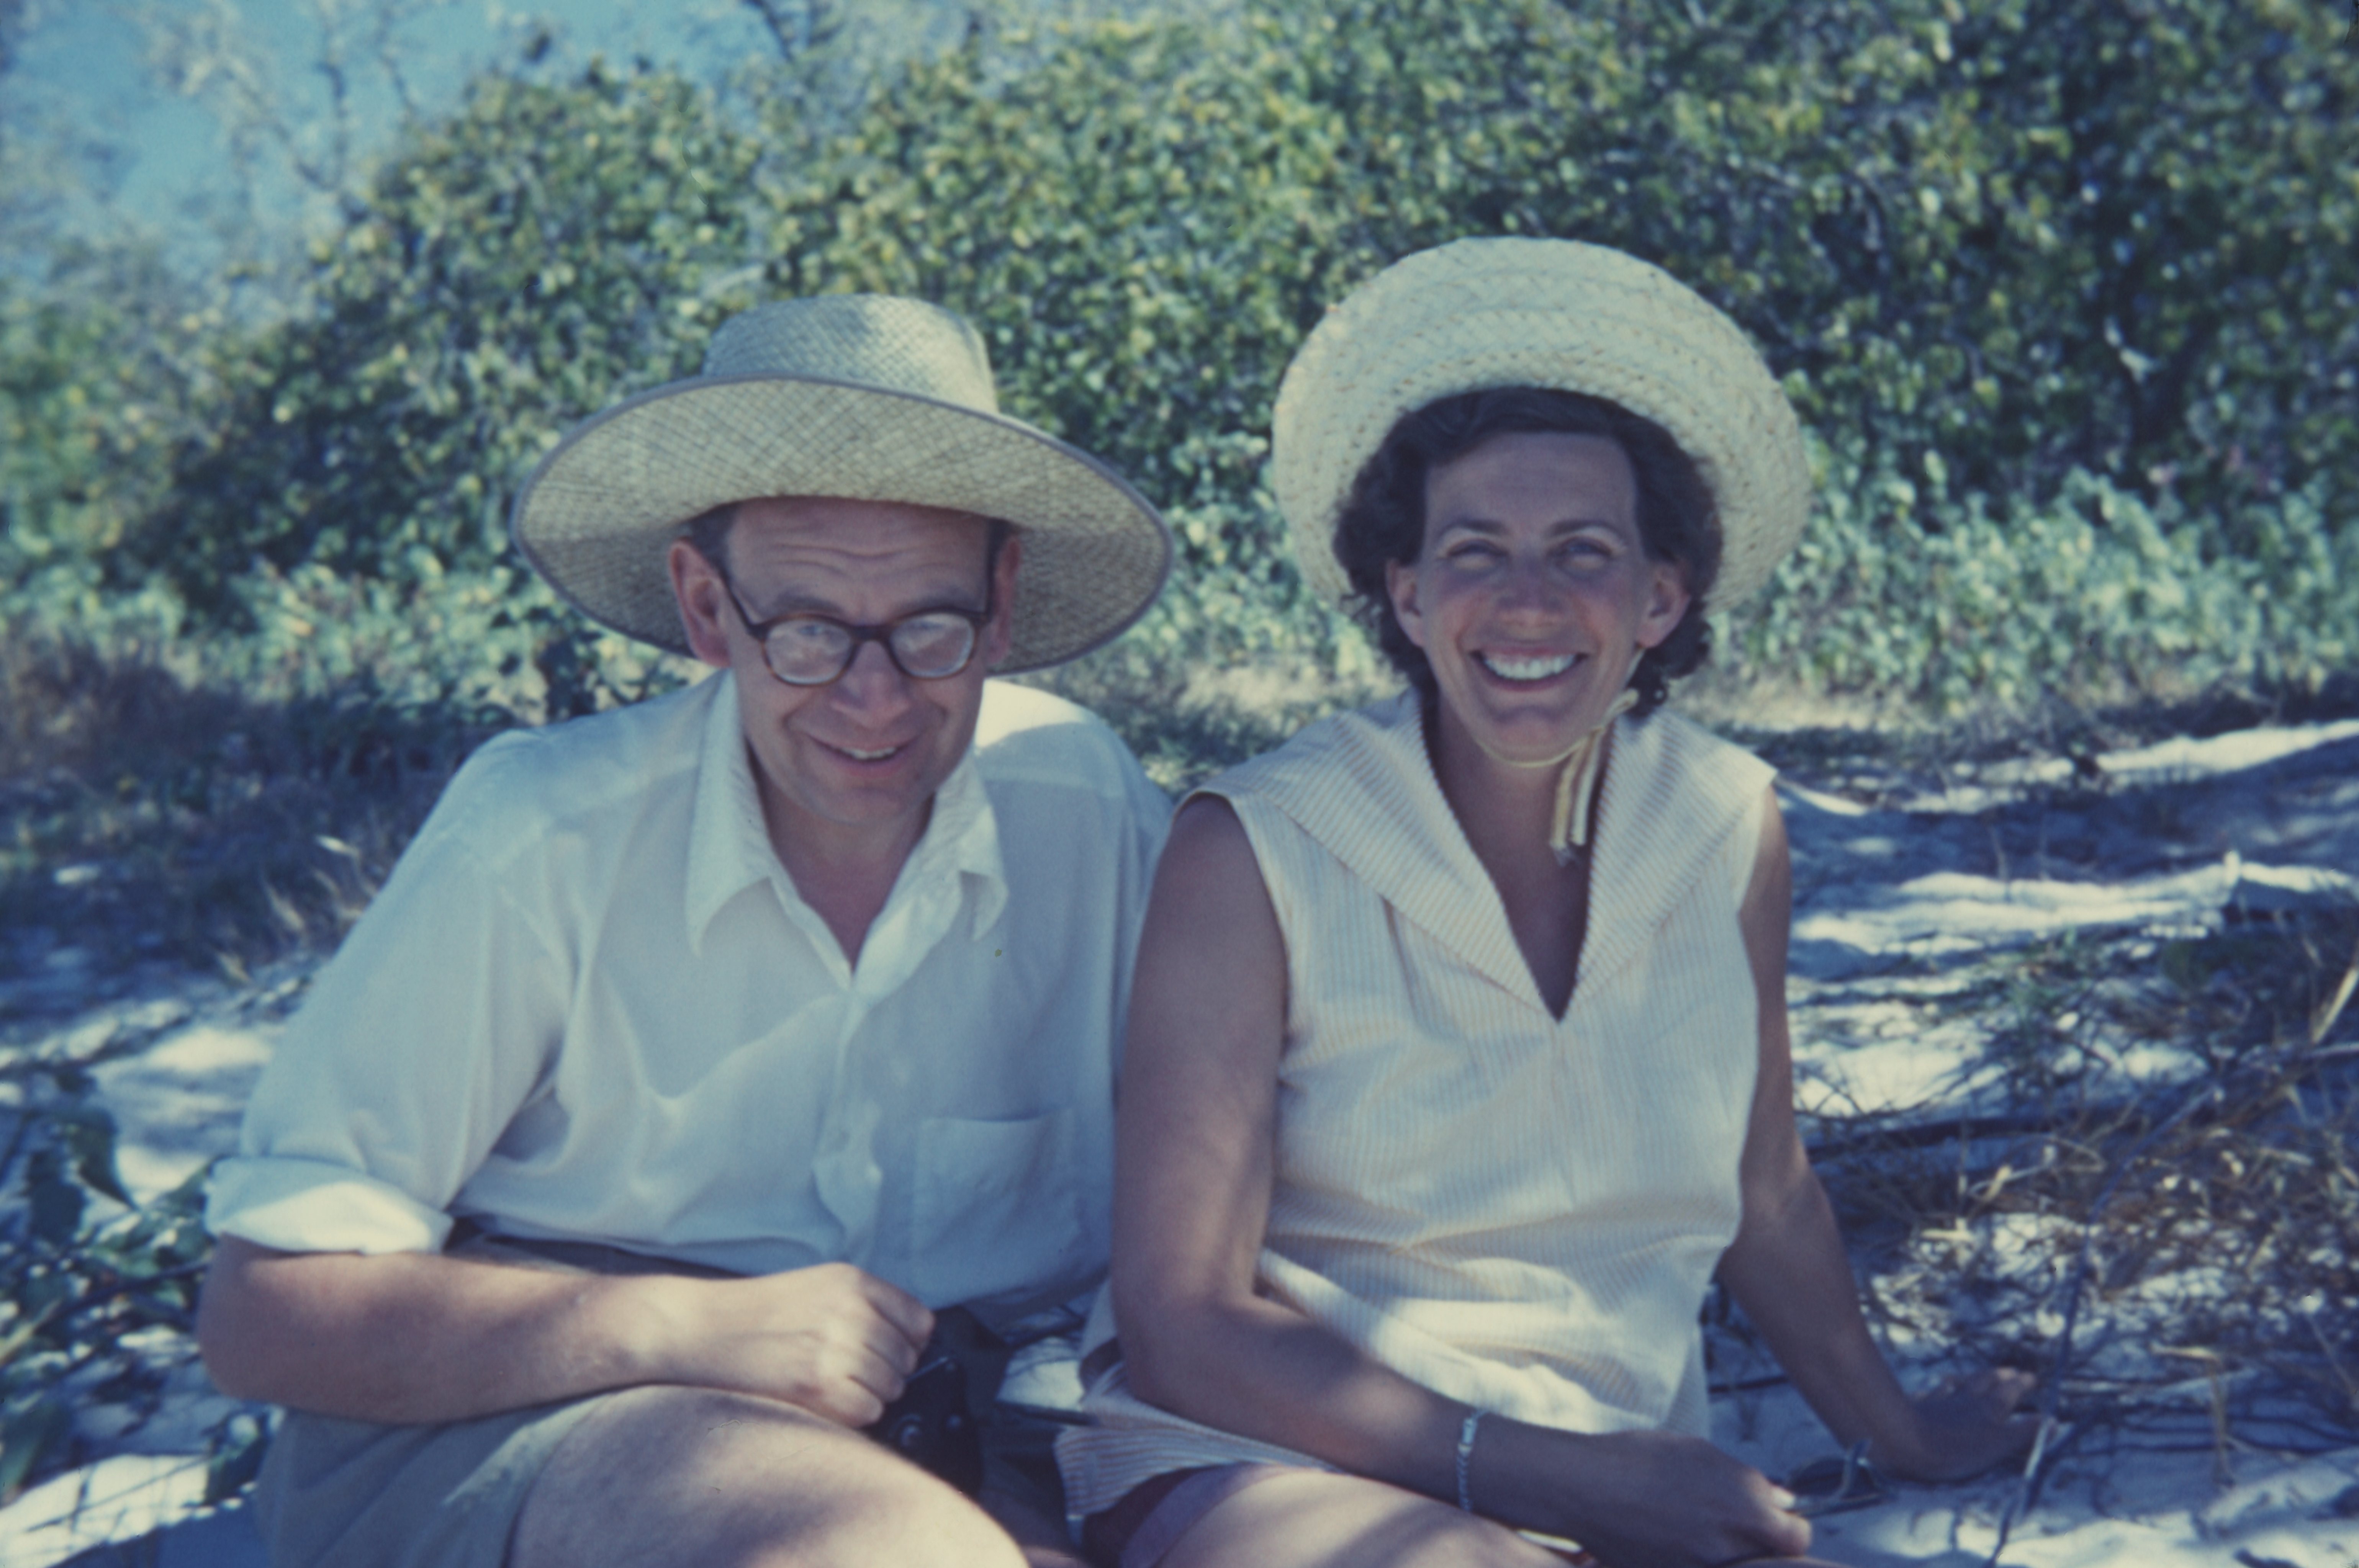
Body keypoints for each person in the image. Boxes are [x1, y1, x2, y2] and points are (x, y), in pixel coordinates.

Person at [1055, 239, 2038, 1568]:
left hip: (1612, 1474)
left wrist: (1903, 1436)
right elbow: (1181, 1323)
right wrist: (1557, 1482)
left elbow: (1765, 1190)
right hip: (1266, 1460)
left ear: (1659, 599)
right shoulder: (1257, 843)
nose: (1529, 600)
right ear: (1405, 594)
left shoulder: (1724, 821)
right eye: (1475, 551)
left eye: (1585, 552)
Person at [195, 293, 1175, 1568]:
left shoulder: (1083, 798)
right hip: (551, 1407)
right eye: (808, 632)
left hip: (972, 1417)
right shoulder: (540, 833)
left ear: (1001, 605)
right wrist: (685, 1333)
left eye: (928, 628)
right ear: (706, 609)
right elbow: (261, 1314)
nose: (873, 698)